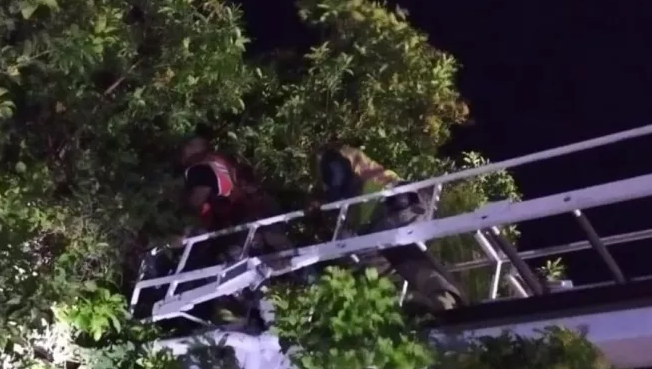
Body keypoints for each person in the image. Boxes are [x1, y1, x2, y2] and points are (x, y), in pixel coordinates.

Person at [309, 141, 467, 313]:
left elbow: (338, 186)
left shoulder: (332, 159)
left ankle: (444, 299)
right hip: (404, 203)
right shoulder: (350, 159)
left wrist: (321, 202)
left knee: (392, 255)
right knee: (395, 259)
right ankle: (443, 297)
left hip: (392, 207)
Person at [169, 133, 300, 328]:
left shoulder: (199, 169)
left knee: (226, 282)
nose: (182, 153)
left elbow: (196, 203)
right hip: (250, 228)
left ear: (194, 147)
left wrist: (181, 229)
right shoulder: (221, 163)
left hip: (234, 234)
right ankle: (276, 322)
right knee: (259, 280)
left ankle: (230, 326)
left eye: (185, 147)